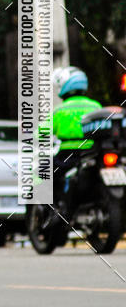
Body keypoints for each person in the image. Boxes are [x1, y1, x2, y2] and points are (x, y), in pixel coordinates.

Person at [51, 66, 101, 215]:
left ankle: (56, 210)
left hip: (68, 155)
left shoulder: (60, 110)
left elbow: (41, 132)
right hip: (92, 153)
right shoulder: (95, 106)